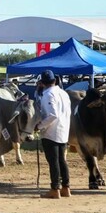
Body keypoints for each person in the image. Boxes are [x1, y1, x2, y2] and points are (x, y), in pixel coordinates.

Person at [36, 70, 72, 199]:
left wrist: (39, 126)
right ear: (55, 80)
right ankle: (66, 187)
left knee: (54, 161)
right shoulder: (64, 93)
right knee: (62, 160)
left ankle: (55, 188)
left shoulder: (48, 94)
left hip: (51, 132)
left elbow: (52, 115)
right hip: (63, 129)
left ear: (41, 83)